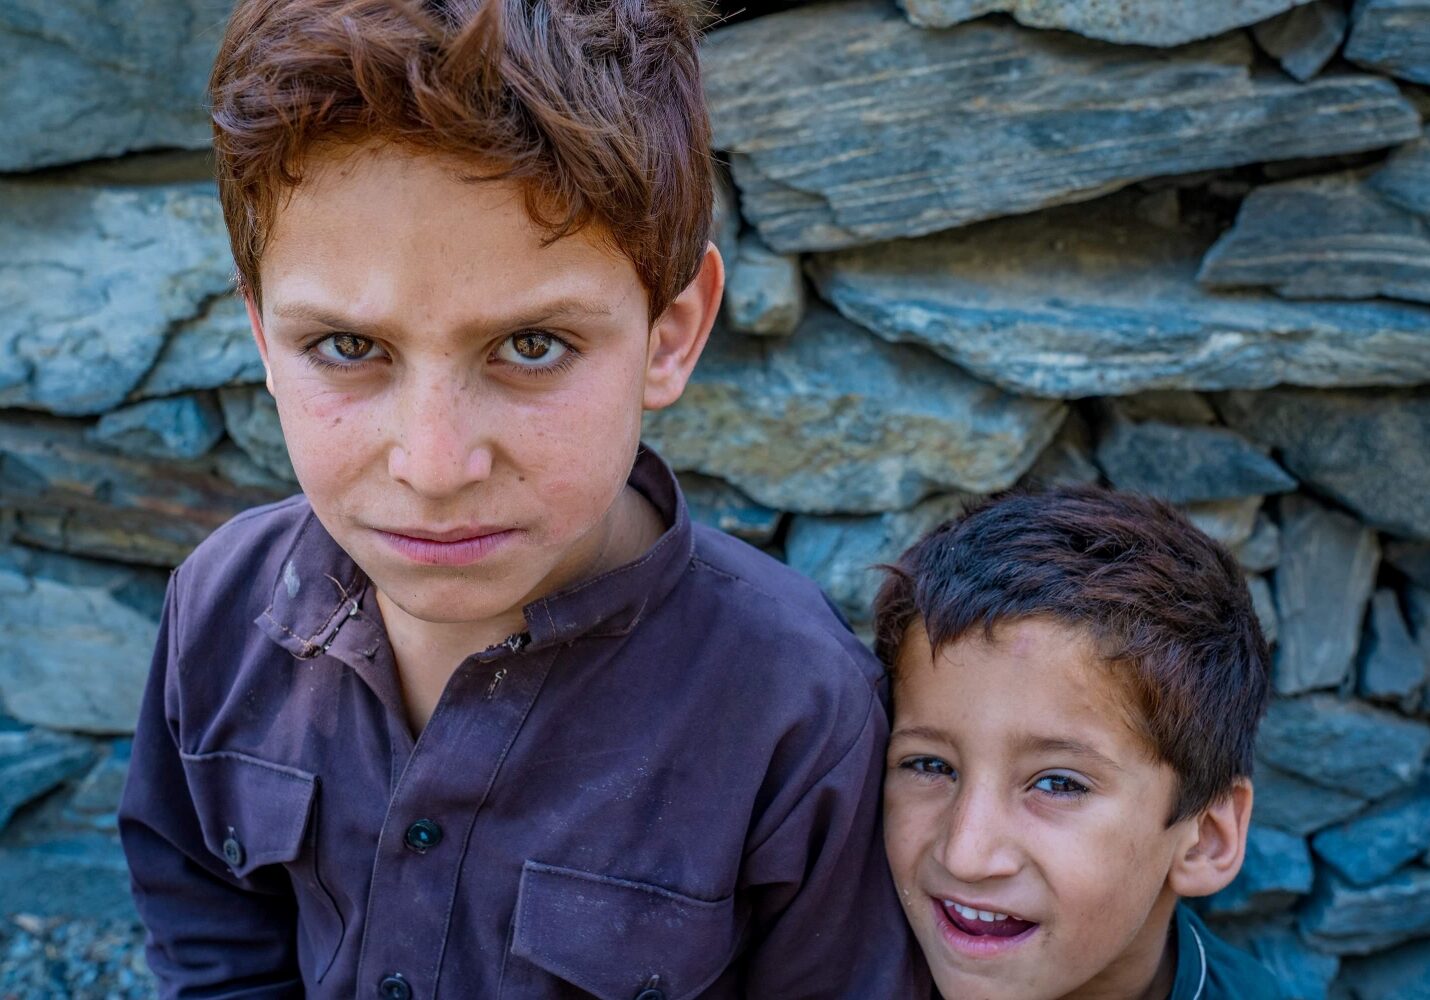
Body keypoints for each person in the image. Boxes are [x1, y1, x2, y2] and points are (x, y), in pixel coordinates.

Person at [117, 1, 924, 996]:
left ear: (670, 335)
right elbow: (204, 913)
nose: (435, 463)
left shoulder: (792, 709)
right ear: (260, 335)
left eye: (531, 347)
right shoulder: (220, 608)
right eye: (349, 347)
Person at [873, 487, 1282, 999]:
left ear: (1206, 838)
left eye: (1058, 783)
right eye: (932, 765)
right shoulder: (810, 966)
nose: (965, 855)